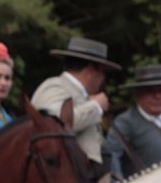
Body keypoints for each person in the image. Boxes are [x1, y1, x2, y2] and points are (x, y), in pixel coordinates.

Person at [31, 36, 120, 173]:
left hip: (86, 174)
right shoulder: (54, 86)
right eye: (102, 72)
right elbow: (55, 125)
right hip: (68, 177)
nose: (103, 79)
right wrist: (95, 106)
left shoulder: (78, 93)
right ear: (90, 71)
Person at [102, 63, 161, 181]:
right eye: (151, 91)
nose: (158, 96)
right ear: (138, 94)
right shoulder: (125, 122)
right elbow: (111, 156)